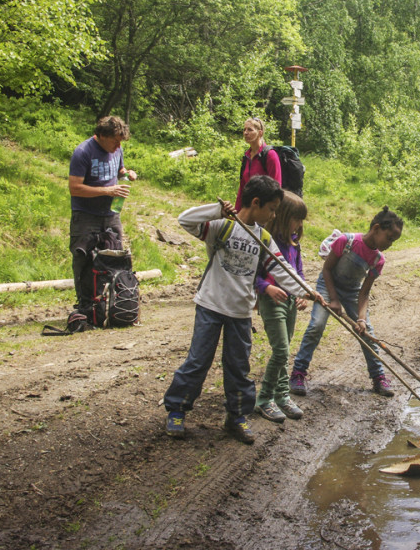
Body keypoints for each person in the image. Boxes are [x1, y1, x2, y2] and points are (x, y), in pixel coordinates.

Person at [163, 175, 318, 444]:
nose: (272, 215)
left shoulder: (263, 239)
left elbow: (283, 272)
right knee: (198, 361)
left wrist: (307, 291)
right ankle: (177, 410)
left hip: (241, 313)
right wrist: (216, 211)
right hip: (211, 306)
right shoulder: (222, 227)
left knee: (238, 367)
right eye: (270, 209)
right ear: (255, 203)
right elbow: (185, 220)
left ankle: (236, 417)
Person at [289, 206, 404, 398]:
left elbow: (364, 292)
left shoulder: (378, 259)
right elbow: (326, 270)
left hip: (352, 292)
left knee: (368, 334)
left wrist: (360, 319)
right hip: (328, 286)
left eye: (394, 241)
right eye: (389, 238)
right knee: (316, 325)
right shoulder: (346, 241)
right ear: (376, 228)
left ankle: (378, 378)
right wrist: (333, 299)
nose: (390, 244)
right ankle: (298, 373)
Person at [67, 116, 137, 323]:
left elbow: (119, 170)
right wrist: (107, 191)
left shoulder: (117, 149)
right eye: (115, 141)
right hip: (86, 215)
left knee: (117, 256)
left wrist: (127, 173)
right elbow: (75, 188)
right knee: (84, 260)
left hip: (111, 214)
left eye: (121, 142)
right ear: (102, 136)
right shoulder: (83, 153)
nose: (118, 146)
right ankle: (85, 306)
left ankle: (116, 301)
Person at [253, 193, 309, 424]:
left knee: (284, 350)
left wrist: (303, 294)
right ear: (284, 217)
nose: (299, 225)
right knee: (281, 350)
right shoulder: (264, 242)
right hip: (272, 301)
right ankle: (264, 399)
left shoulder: (294, 243)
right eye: (296, 219)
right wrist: (266, 288)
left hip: (290, 302)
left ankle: (282, 395)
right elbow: (252, 274)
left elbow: (298, 274)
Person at [235, 116, 281, 211]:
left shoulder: (270, 155)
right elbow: (243, 188)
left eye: (250, 130)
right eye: (244, 130)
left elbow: (277, 187)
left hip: (263, 209)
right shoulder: (246, 156)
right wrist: (237, 211)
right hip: (249, 208)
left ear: (260, 133)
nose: (245, 133)